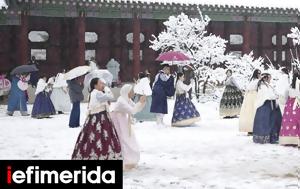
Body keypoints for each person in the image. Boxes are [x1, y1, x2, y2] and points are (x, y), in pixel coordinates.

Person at [72, 78, 122, 160]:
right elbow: (111, 96)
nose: (103, 85)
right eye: (101, 83)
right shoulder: (97, 93)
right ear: (95, 85)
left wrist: (105, 101)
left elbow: (102, 101)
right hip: (99, 117)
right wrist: (107, 89)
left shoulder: (93, 93)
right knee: (101, 136)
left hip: (94, 117)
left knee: (92, 136)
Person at [110, 84, 146, 170]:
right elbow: (132, 111)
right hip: (117, 121)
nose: (133, 93)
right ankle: (125, 160)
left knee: (127, 138)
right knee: (122, 139)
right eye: (132, 91)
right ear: (127, 92)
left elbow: (135, 108)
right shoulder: (121, 101)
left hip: (123, 120)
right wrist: (140, 102)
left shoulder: (127, 99)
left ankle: (129, 159)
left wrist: (142, 103)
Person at [253, 73, 282, 144]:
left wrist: (276, 95)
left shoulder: (267, 85)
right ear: (265, 78)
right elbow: (267, 95)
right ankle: (267, 137)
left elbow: (272, 93)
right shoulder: (262, 86)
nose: (270, 80)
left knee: (272, 121)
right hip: (265, 106)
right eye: (269, 78)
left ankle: (272, 136)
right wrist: (275, 96)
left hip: (269, 105)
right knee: (267, 122)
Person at [279, 72, 300, 146]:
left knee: (288, 122)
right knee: (298, 122)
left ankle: (287, 140)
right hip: (298, 104)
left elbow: (285, 96)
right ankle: (297, 140)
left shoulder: (289, 86)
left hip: (290, 105)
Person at [239, 69, 261, 135]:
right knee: (252, 112)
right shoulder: (256, 81)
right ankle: (252, 128)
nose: (260, 75)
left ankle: (251, 128)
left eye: (260, 73)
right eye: (259, 73)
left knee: (250, 112)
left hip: (250, 96)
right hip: (253, 96)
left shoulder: (252, 80)